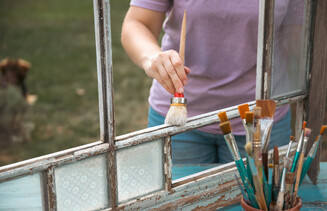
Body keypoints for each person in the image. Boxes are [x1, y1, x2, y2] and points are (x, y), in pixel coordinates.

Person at [121, 0, 302, 164]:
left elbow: (302, 41)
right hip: (179, 117)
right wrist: (151, 58)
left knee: (258, 201)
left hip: (261, 117)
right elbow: (137, 23)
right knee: (177, 200)